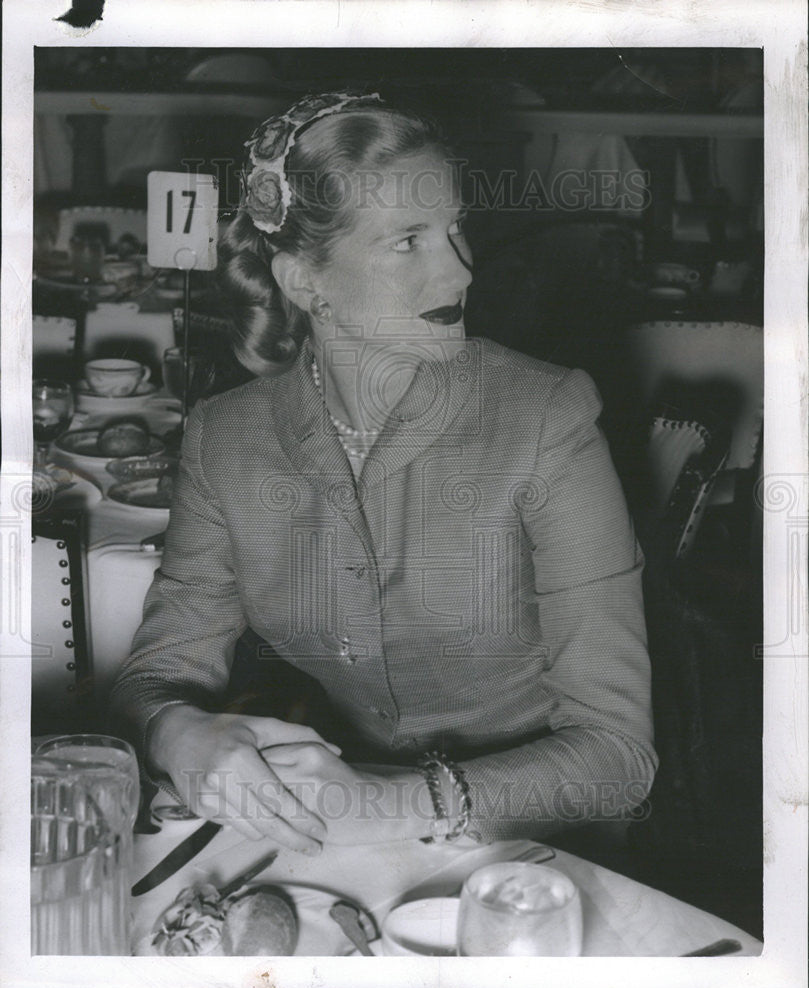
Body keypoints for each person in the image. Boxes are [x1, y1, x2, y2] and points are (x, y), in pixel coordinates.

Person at [111, 92, 657, 855]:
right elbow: (157, 672)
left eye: (455, 228)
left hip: (540, 838)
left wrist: (395, 805)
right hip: (347, 819)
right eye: (408, 242)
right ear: (305, 282)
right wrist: (176, 733)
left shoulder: (545, 418)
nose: (460, 271)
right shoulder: (224, 439)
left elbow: (617, 758)